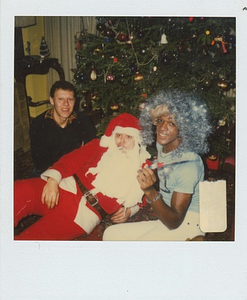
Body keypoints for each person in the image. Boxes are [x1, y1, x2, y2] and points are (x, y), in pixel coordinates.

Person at [14, 113, 151, 240]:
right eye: (119, 135)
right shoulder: (99, 146)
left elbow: (147, 195)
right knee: (19, 191)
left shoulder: (143, 166)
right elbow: (71, 160)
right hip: (66, 188)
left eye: (128, 137)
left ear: (137, 139)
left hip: (84, 215)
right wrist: (53, 180)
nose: (121, 141)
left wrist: (131, 210)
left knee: (33, 240)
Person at [103, 90, 212, 241]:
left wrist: (150, 191)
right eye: (160, 120)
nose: (162, 128)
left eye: (172, 123)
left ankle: (193, 240)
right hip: (165, 217)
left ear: (185, 129)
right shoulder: (163, 145)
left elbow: (174, 221)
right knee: (110, 234)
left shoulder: (188, 165)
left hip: (186, 223)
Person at [29, 80, 97, 176]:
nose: (66, 104)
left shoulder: (82, 119)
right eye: (60, 99)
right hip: (49, 170)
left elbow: (91, 146)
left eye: (70, 99)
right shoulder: (39, 124)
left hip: (74, 166)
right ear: (52, 100)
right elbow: (41, 162)